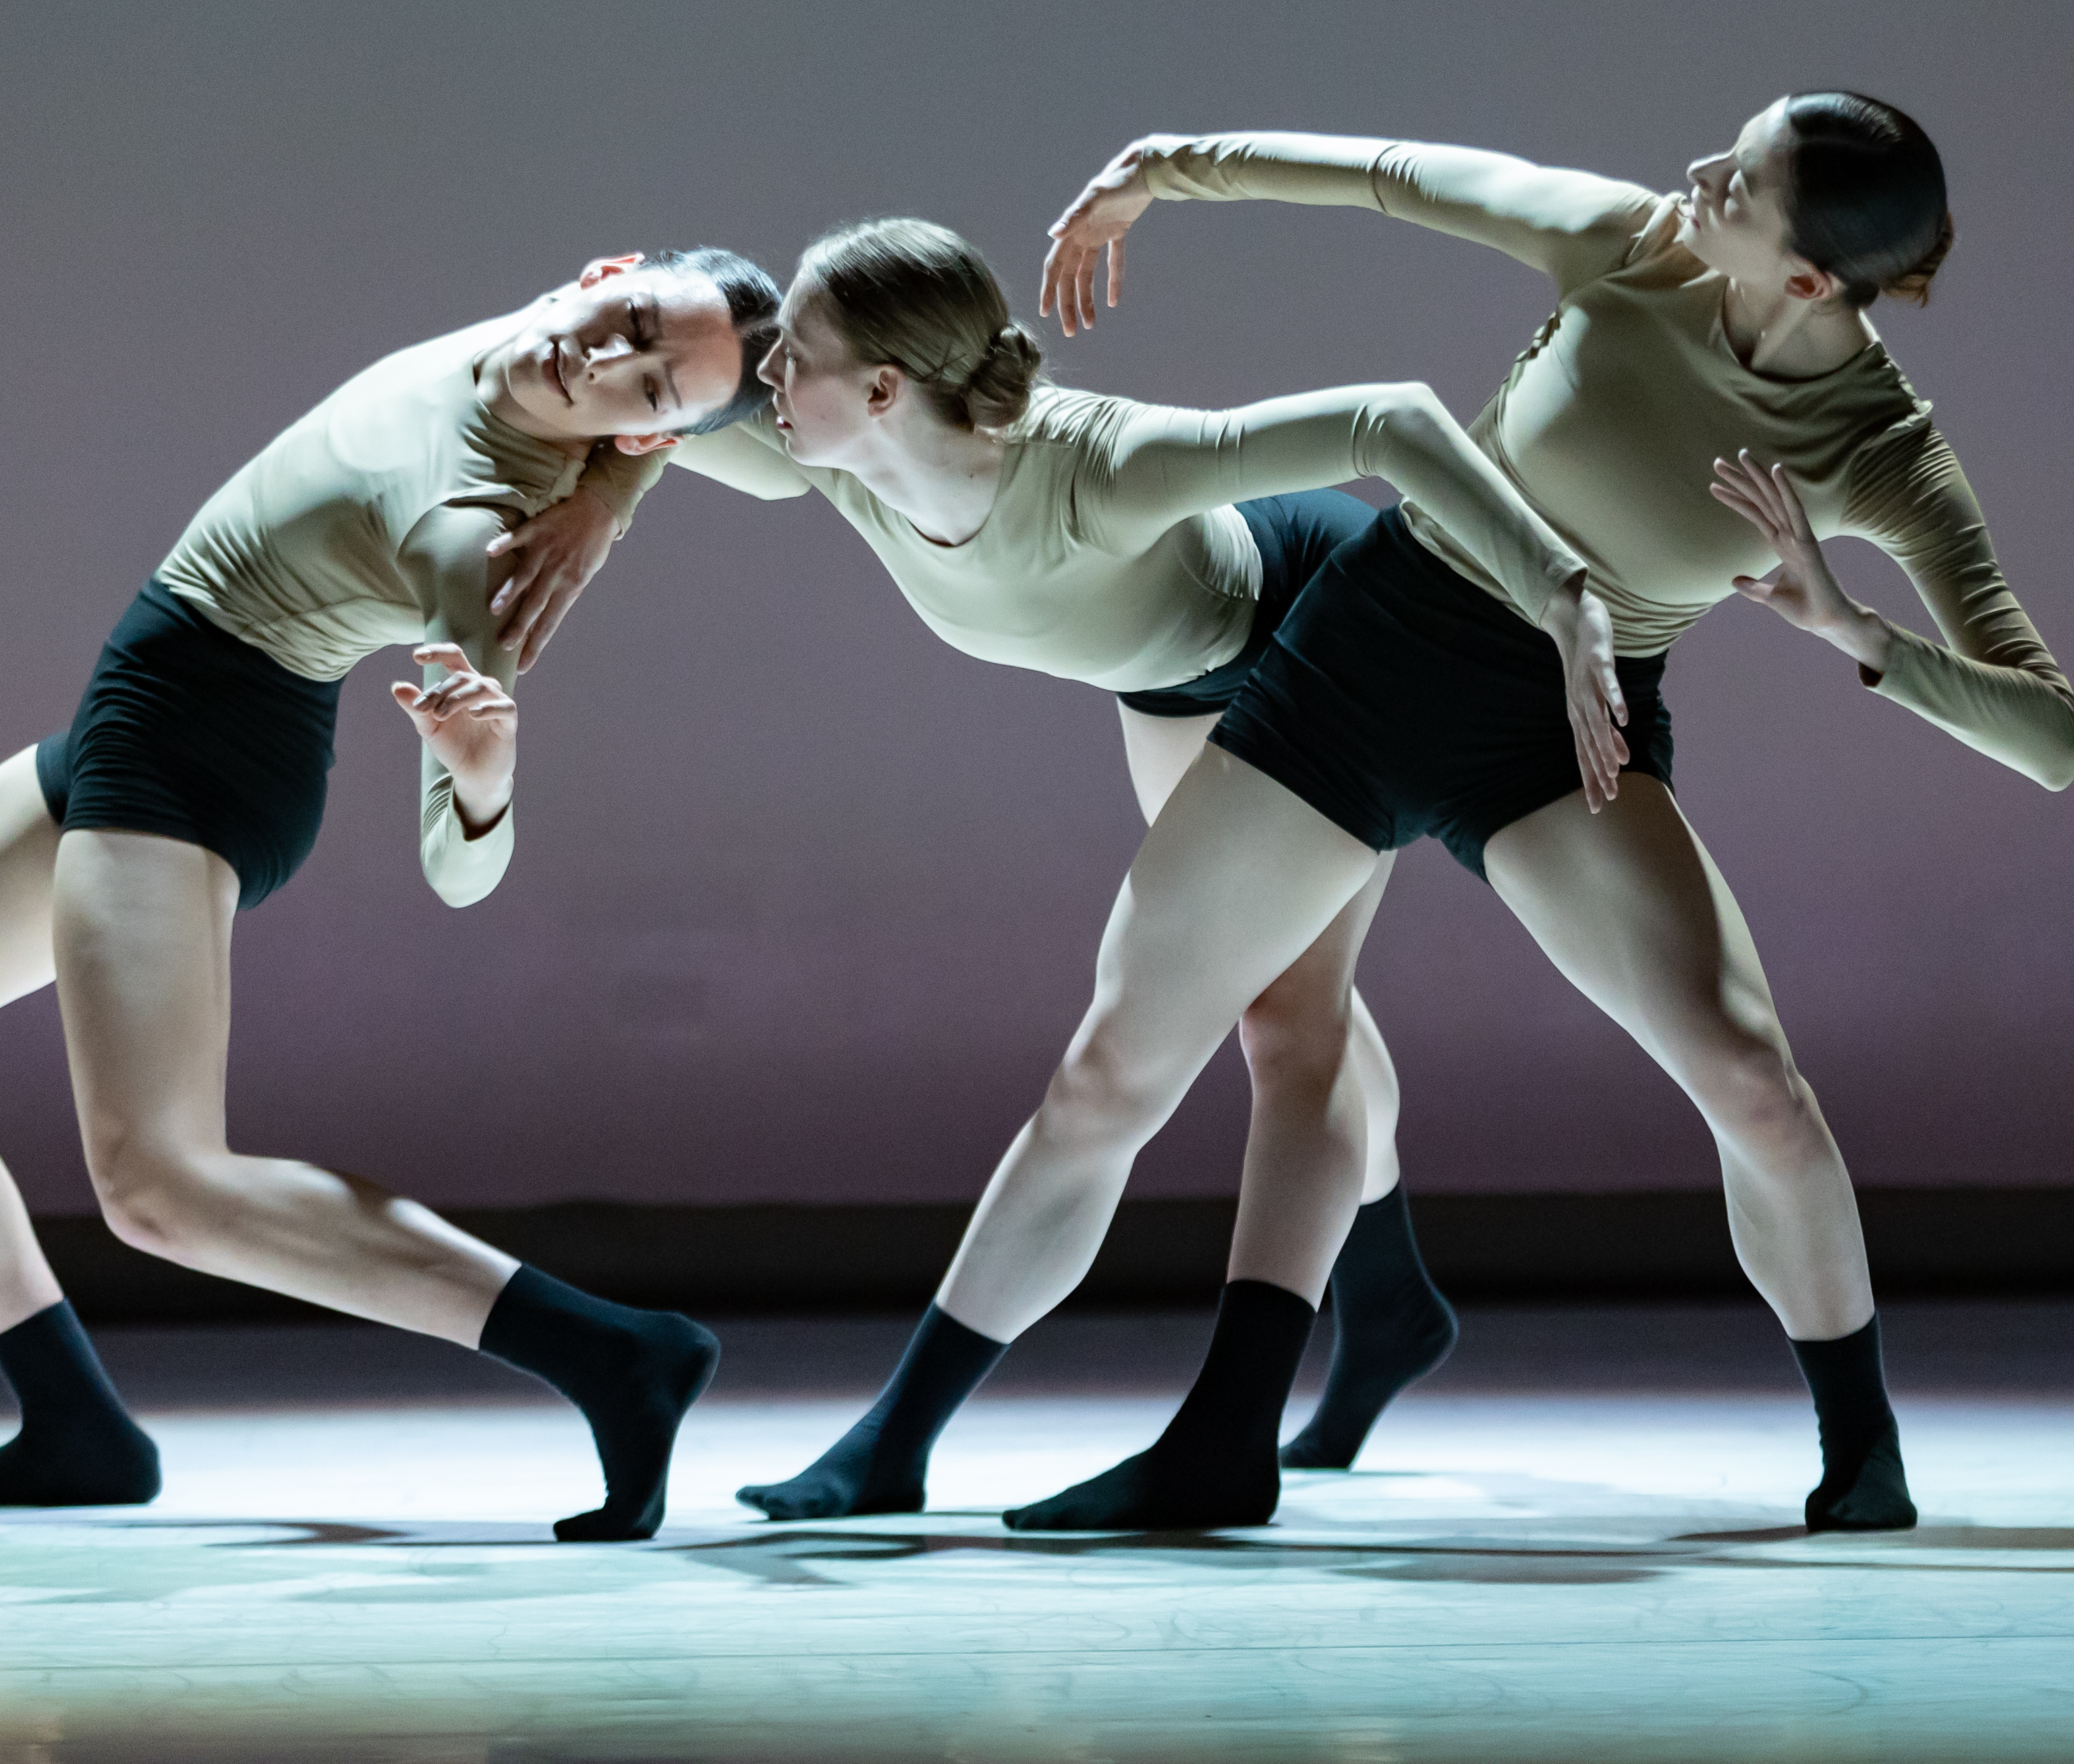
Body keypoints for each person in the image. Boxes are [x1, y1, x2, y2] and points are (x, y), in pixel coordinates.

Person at [988, 94, 2074, 1532]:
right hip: (1367, 653)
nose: (1700, 175)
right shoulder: (1638, 245)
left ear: (1810, 281)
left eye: (1739, 186)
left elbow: (2049, 734)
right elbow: (1400, 179)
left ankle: (1860, 1448)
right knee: (1128, 1057)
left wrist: (1849, 626)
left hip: (1564, 731)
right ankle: (1197, 1443)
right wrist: (1158, 172)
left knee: (1754, 1079)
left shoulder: (1877, 447)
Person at [0, 248, 780, 1541]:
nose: (602, 361)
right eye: (626, 321)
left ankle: (613, 1352)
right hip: (136, 706)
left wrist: (482, 780)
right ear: (608, 268)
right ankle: (71, 1422)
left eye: (642, 389)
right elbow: (682, 366)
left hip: (199, 757)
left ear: (645, 426)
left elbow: (462, 876)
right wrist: (626, 486)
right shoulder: (551, 351)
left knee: (161, 1187)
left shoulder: (477, 531)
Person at [670, 217, 1611, 1517]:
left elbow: (1389, 422)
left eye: (797, 360)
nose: (770, 381)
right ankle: (1387, 1301)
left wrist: (1560, 590)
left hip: (1320, 637)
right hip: (1178, 675)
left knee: (1259, 1030)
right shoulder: (840, 459)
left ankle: (903, 1442)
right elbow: (666, 411)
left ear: (884, 389)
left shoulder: (1097, 465)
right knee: (1265, 1000)